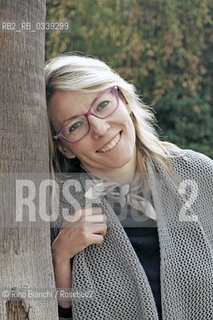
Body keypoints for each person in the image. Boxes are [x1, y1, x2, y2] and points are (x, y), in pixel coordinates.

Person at [45, 54, 213, 320]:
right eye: (75, 125)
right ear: (66, 147)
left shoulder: (200, 175)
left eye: (102, 104)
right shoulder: (56, 214)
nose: (99, 128)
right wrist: (59, 258)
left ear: (124, 100)